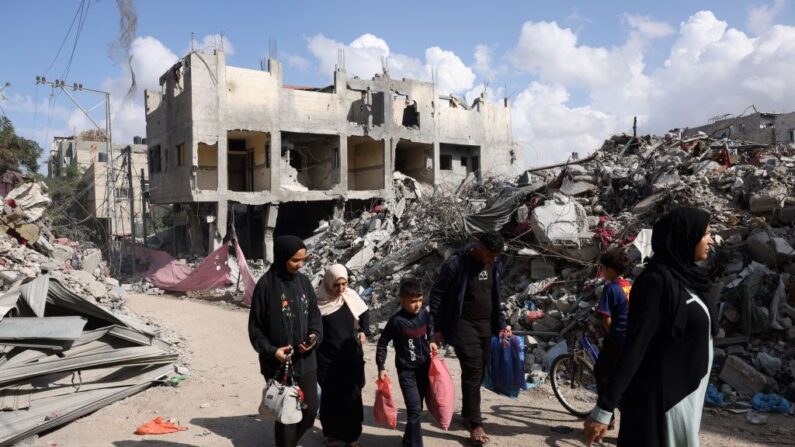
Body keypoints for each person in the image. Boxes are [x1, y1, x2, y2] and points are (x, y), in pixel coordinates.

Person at [583, 208, 716, 447]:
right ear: (685, 236)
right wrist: (605, 407)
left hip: (688, 395)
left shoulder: (691, 280)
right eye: (705, 234)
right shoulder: (656, 282)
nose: (711, 240)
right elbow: (636, 345)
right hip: (664, 401)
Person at [429, 232, 511, 445]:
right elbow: (438, 294)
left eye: (496, 255)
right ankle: (475, 423)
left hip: (485, 326)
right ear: (478, 246)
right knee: (473, 367)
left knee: (478, 371)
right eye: (490, 254)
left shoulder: (493, 264)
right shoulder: (457, 264)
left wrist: (501, 324)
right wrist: (436, 328)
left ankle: (467, 413)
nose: (493, 258)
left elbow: (496, 296)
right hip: (462, 325)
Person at [248, 235, 323, 447]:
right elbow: (255, 329)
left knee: (310, 411)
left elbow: (315, 317)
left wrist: (313, 337)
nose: (300, 265)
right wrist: (272, 351)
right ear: (281, 258)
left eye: (303, 260)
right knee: (287, 416)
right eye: (295, 260)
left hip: (306, 361)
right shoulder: (265, 286)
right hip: (278, 365)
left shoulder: (304, 282)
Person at [376, 277, 438, 447]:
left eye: (419, 300)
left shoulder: (424, 314)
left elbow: (431, 326)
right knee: (414, 410)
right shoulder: (396, 321)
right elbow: (382, 343)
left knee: (417, 409)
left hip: (424, 369)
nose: (417, 304)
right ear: (402, 300)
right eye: (412, 301)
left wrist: (431, 340)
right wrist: (381, 367)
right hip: (407, 372)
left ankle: (408, 440)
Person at [315, 264, 371, 447]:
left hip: (350, 356)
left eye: (344, 284)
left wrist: (364, 331)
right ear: (328, 283)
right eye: (336, 285)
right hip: (327, 360)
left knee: (353, 397)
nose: (340, 289)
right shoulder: (318, 303)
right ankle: (330, 433)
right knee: (331, 398)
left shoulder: (350, 296)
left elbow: (364, 313)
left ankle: (352, 436)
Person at [593, 247, 632, 429]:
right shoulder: (629, 285)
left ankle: (606, 416)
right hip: (631, 339)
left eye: (602, 268)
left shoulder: (610, 288)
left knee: (602, 373)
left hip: (617, 339)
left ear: (609, 269)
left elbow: (607, 319)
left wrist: (610, 336)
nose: (601, 272)